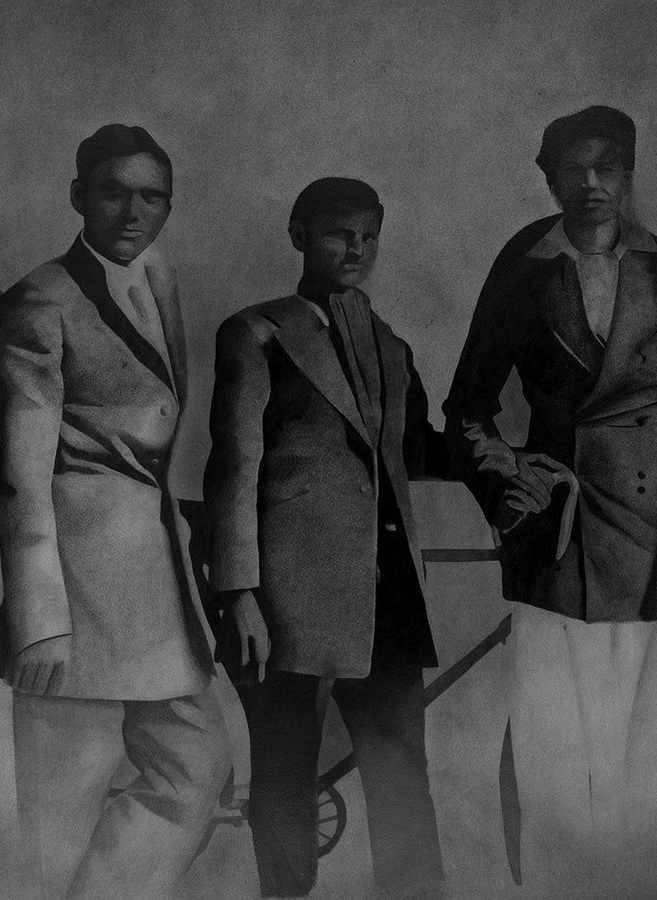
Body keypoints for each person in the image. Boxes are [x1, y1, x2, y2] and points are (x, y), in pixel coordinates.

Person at [440, 105, 657, 891]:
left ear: (630, 174)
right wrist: (511, 485)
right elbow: (467, 408)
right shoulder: (522, 266)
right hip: (558, 533)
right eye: (574, 169)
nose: (592, 183)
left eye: (607, 167)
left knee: (650, 738)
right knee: (554, 740)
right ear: (549, 179)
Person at [0, 124, 230, 900]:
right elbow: (19, 475)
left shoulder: (158, 279)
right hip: (72, 587)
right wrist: (40, 617)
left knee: (196, 770)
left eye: (152, 196)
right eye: (114, 192)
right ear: (78, 196)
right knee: (60, 812)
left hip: (152, 581)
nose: (132, 211)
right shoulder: (39, 301)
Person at [205, 177, 451, 900]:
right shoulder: (256, 333)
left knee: (403, 772)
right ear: (299, 236)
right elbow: (234, 468)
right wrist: (239, 594)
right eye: (340, 234)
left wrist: (506, 462)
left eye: (369, 236)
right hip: (288, 598)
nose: (356, 249)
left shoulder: (391, 345)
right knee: (284, 774)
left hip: (388, 593)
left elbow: (419, 450)